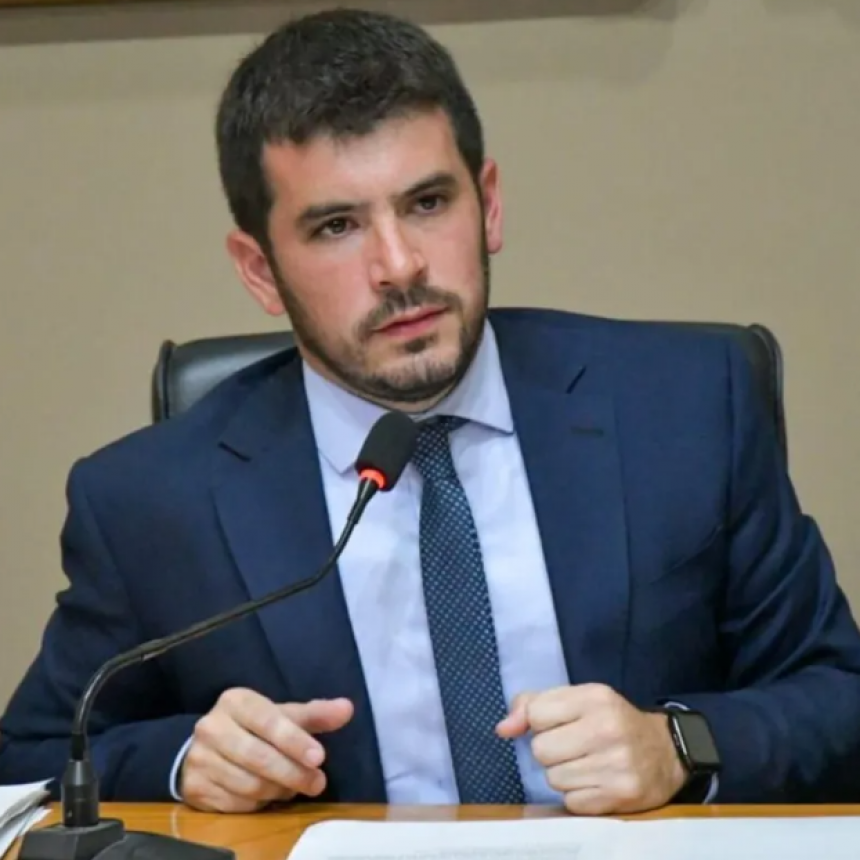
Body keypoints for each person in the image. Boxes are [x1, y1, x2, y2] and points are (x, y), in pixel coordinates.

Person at [2, 8, 860, 817]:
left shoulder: (684, 407)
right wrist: (187, 759)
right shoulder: (153, 502)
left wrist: (678, 746)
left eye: (427, 203)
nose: (400, 265)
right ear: (260, 270)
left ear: (488, 205)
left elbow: (838, 697)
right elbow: (27, 757)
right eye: (337, 226)